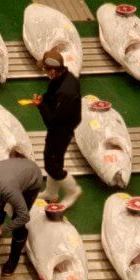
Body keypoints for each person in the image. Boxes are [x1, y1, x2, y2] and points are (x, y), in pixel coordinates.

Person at [30, 50, 82, 208]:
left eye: (45, 70)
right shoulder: (65, 76)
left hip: (62, 130)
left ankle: (73, 191)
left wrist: (41, 106)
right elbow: (52, 93)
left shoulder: (66, 92)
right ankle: (51, 192)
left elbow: (53, 122)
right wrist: (44, 99)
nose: (44, 73)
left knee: (52, 165)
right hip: (61, 127)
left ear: (53, 70)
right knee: (53, 159)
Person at [0, 158, 42, 276]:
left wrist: (1, 229)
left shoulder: (9, 191)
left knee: (18, 223)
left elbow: (24, 216)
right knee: (0, 211)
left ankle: (13, 261)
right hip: (11, 173)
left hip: (32, 177)